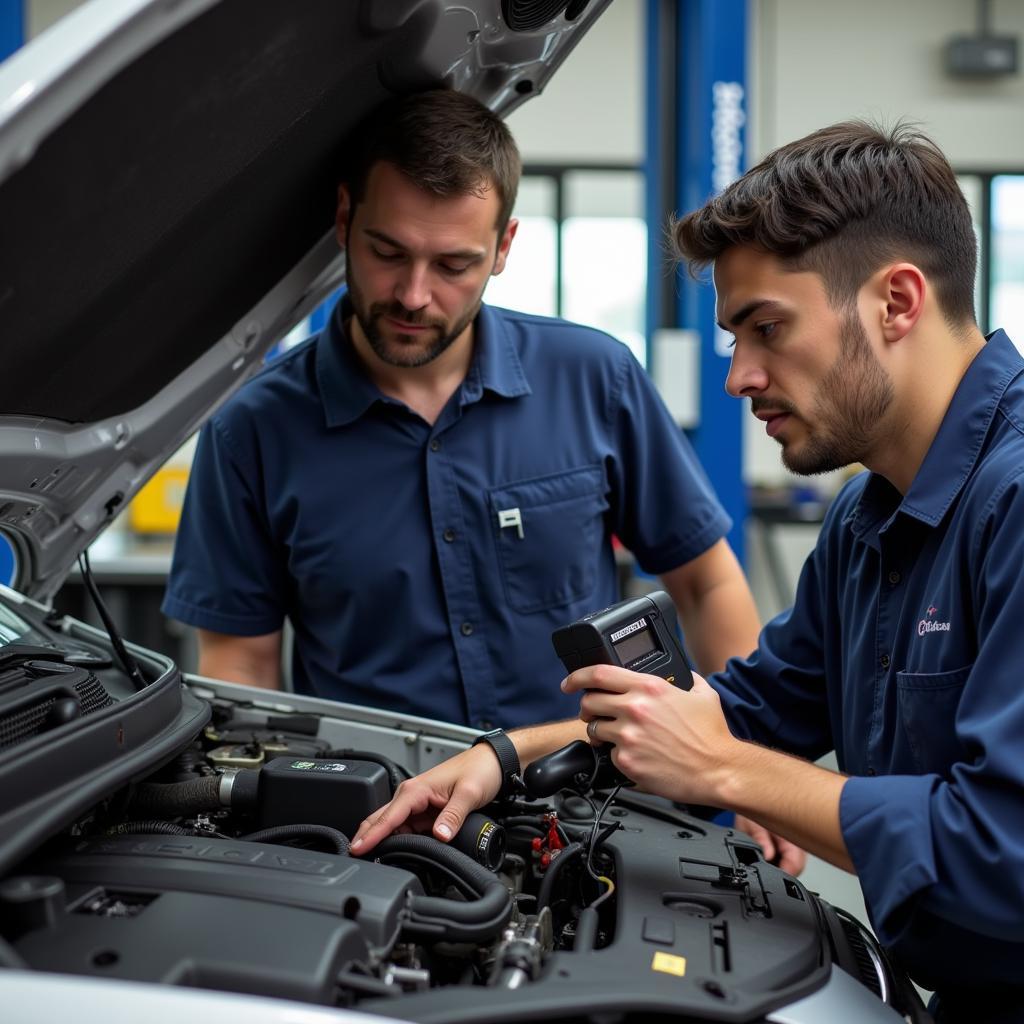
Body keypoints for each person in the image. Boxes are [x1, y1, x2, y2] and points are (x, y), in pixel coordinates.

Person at [351, 119, 1024, 1022]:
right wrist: (504, 758)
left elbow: (1001, 850)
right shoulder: (871, 520)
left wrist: (729, 774)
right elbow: (738, 711)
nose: (739, 376)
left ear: (896, 302)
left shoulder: (1013, 504)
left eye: (766, 327)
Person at [162, 88, 760, 732]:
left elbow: (705, 584)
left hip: (587, 799)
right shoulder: (253, 429)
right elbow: (240, 665)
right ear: (343, 220)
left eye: (453, 264)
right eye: (388, 253)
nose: (414, 295)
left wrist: (751, 758)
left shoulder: (595, 378)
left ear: (502, 248)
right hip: (377, 813)